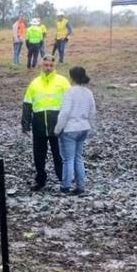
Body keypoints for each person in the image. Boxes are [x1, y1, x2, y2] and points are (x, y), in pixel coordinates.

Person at [22, 55, 71, 191]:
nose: (48, 67)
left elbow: (70, 103)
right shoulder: (34, 83)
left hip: (58, 125)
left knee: (59, 155)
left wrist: (70, 122)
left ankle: (64, 181)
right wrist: (25, 125)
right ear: (41, 66)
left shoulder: (62, 81)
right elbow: (27, 104)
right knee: (38, 156)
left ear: (54, 66)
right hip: (39, 125)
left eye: (50, 65)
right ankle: (40, 180)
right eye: (46, 65)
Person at [54, 66, 96, 196]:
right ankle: (81, 185)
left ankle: (65, 186)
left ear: (71, 77)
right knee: (78, 157)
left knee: (68, 159)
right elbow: (92, 112)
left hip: (70, 129)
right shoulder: (88, 92)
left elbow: (64, 113)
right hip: (83, 127)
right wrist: (92, 127)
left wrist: (57, 129)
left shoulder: (69, 92)